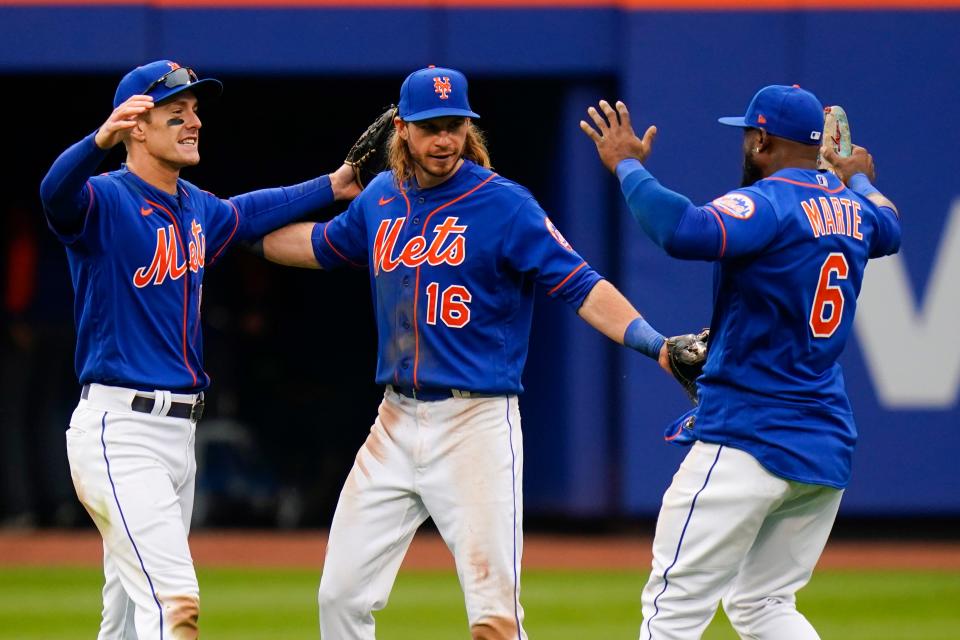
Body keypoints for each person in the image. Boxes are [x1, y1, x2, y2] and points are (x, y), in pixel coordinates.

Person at [262, 65, 698, 639]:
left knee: (494, 617)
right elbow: (318, 245)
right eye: (430, 127)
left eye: (455, 126)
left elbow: (582, 285)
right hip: (394, 422)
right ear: (402, 128)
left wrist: (655, 345)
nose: (444, 139)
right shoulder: (381, 197)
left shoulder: (504, 205)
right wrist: (224, 230)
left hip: (476, 425)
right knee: (339, 597)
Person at [39, 59, 363, 639]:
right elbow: (54, 195)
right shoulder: (104, 201)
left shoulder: (196, 207)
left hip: (178, 437)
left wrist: (333, 186)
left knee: (126, 624)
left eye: (195, 112)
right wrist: (97, 141)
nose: (194, 123)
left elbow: (250, 211)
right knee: (176, 605)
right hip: (121, 431)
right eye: (176, 112)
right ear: (137, 125)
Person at [581, 86, 901, 639]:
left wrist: (627, 167)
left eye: (747, 133)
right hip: (823, 445)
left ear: (760, 140)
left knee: (672, 611)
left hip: (747, 436)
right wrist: (859, 178)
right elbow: (890, 226)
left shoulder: (772, 202)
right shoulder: (857, 213)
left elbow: (683, 231)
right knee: (764, 603)